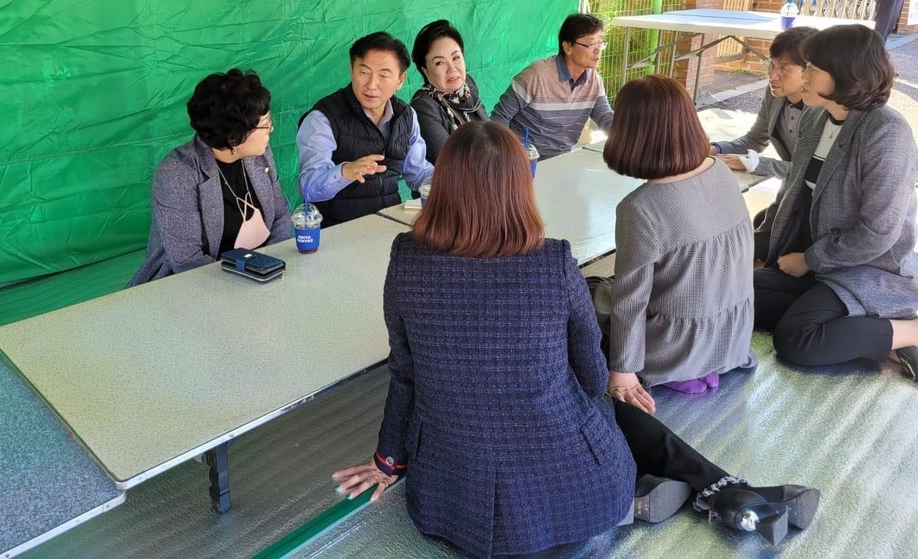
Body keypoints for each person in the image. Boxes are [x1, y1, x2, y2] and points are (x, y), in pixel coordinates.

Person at [333, 121, 819, 557]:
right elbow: (590, 374)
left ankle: (660, 497)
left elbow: (405, 373)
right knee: (608, 403)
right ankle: (697, 493)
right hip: (577, 506)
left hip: (451, 512)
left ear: (444, 186)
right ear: (518, 187)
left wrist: (387, 458)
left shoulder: (407, 258)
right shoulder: (552, 260)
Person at [754, 25, 918, 381]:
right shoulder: (816, 116)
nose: (804, 75)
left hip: (869, 269)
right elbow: (794, 194)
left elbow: (878, 234)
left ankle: (912, 329)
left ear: (846, 74)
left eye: (812, 68)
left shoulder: (886, 133)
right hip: (821, 266)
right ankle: (856, 324)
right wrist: (765, 246)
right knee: (739, 296)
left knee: (798, 340)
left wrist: (810, 259)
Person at [596, 76, 756, 400]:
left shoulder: (640, 208)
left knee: (589, 294)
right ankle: (703, 364)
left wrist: (624, 374)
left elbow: (632, 299)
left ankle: (674, 370)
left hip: (672, 349)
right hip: (731, 340)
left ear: (629, 132)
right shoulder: (720, 170)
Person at [127, 69, 292, 287]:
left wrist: (269, 268)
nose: (271, 129)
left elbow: (281, 215)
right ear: (234, 138)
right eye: (264, 125)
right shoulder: (177, 174)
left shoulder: (258, 154)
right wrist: (249, 282)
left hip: (262, 275)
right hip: (199, 285)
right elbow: (188, 262)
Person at [297, 32, 434, 227]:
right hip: (337, 231)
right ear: (351, 69)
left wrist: (448, 183)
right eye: (364, 72)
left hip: (390, 223)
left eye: (384, 75)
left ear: (401, 79)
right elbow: (308, 187)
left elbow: (419, 173)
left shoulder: (406, 116)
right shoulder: (322, 118)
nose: (371, 85)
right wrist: (345, 171)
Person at [491, 12, 613, 160]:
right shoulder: (535, 76)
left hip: (563, 160)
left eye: (600, 43)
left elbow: (606, 118)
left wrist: (637, 137)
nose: (598, 50)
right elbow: (498, 120)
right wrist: (511, 157)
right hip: (527, 162)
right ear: (568, 47)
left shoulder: (594, 80)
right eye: (591, 44)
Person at [710, 26, 819, 180]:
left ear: (809, 70)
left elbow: (819, 173)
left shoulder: (826, 108)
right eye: (771, 65)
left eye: (784, 69)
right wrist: (715, 149)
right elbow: (755, 140)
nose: (772, 76)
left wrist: (754, 164)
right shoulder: (775, 93)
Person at [409, 19, 489, 164]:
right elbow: (450, 163)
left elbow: (489, 133)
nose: (452, 68)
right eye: (440, 62)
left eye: (456, 57)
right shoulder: (423, 107)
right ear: (425, 71)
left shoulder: (467, 86)